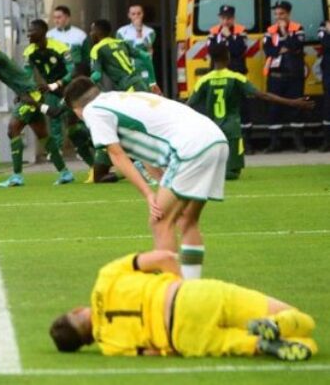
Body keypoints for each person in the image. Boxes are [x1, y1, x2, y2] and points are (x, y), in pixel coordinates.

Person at [64, 77, 228, 279]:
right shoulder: (121, 98)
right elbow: (147, 153)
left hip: (191, 147)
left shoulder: (92, 111)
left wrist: (149, 194)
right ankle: (190, 286)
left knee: (160, 221)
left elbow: (116, 155)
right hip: (216, 139)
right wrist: (160, 185)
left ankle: (172, 293)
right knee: (187, 220)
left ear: (76, 110)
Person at [50, 250, 317, 360]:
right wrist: (181, 288)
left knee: (305, 347)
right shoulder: (104, 279)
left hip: (182, 338)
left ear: (86, 342)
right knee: (296, 316)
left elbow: (153, 353)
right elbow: (165, 257)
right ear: (76, 311)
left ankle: (261, 342)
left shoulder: (109, 346)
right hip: (188, 297)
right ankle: (276, 324)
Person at [188, 45, 314, 180]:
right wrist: (293, 102)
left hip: (213, 130)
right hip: (232, 130)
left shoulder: (204, 80)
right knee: (232, 173)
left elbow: (189, 105)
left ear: (212, 59)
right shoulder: (236, 77)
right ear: (228, 57)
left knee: (214, 169)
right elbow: (263, 96)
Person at [0, 30, 65, 187]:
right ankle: (65, 172)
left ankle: (17, 176)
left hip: (30, 96)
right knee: (42, 135)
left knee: (13, 129)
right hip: (27, 95)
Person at [87, 19, 160, 184]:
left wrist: (86, 85)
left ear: (98, 33)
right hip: (140, 85)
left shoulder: (97, 49)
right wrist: (153, 82)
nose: (91, 34)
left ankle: (142, 167)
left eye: (92, 30)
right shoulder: (122, 43)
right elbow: (146, 58)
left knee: (128, 130)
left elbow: (97, 76)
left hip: (128, 91)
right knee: (145, 128)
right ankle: (154, 166)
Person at [24, 19, 96, 183]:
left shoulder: (59, 47)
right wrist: (26, 92)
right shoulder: (29, 52)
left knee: (79, 128)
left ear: (42, 32)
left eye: (31, 31)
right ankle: (94, 166)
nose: (28, 34)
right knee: (71, 130)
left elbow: (72, 71)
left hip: (71, 90)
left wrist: (55, 85)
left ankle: (106, 152)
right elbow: (26, 75)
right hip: (53, 92)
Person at [206, 4, 252, 152]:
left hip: (236, 75)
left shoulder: (241, 31)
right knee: (220, 109)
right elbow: (212, 51)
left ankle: (247, 144)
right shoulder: (213, 32)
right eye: (223, 18)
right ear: (220, 18)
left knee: (241, 108)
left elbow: (239, 50)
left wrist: (229, 37)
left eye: (229, 18)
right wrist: (223, 40)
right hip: (219, 76)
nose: (225, 21)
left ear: (233, 18)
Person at [263, 0, 307, 153]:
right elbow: (269, 50)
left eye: (281, 14)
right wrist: (282, 47)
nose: (278, 17)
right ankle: (275, 143)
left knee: (296, 108)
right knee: (274, 109)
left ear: (288, 14)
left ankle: (299, 143)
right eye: (276, 14)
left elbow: (296, 45)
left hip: (294, 76)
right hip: (275, 76)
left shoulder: (297, 28)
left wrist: (284, 34)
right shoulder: (270, 30)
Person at [117, 4, 157, 91]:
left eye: (139, 13)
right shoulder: (121, 31)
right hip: (128, 70)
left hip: (144, 69)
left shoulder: (150, 31)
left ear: (143, 14)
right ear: (129, 15)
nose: (136, 16)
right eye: (133, 14)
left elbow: (146, 48)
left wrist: (139, 30)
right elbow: (121, 50)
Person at [46, 5, 90, 74]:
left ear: (67, 18)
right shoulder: (48, 35)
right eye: (54, 18)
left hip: (76, 76)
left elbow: (87, 59)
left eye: (59, 17)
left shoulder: (80, 35)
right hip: (56, 76)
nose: (56, 21)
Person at [317, 21, 330, 152]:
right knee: (328, 106)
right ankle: (327, 141)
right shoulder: (323, 26)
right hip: (329, 72)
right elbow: (326, 44)